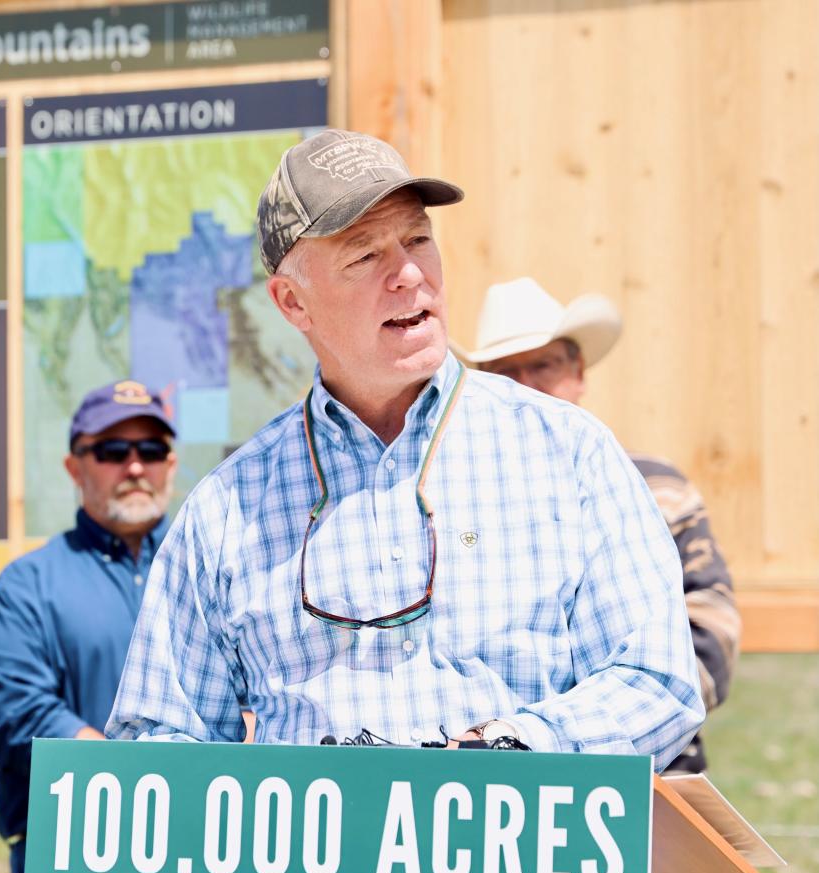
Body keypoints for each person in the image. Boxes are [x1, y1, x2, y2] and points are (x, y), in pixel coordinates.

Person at [107, 126, 703, 762]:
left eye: (418, 238)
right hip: (320, 862)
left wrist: (511, 750)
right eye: (364, 255)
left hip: (512, 852)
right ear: (292, 303)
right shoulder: (226, 509)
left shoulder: (569, 452)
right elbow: (158, 742)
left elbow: (656, 683)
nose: (410, 273)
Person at [464, 276, 741, 873]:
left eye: (545, 364)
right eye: (508, 371)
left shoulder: (660, 488)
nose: (528, 382)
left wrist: (616, 711)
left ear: (579, 372)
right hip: (526, 820)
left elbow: (710, 630)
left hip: (658, 804)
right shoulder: (467, 505)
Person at [0, 380, 242, 873]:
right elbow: (19, 715)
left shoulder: (221, 572)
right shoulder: (28, 586)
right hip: (79, 871)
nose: (135, 466)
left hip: (213, 866)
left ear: (172, 463)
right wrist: (140, 782)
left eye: (152, 449)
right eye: (113, 451)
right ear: (75, 465)